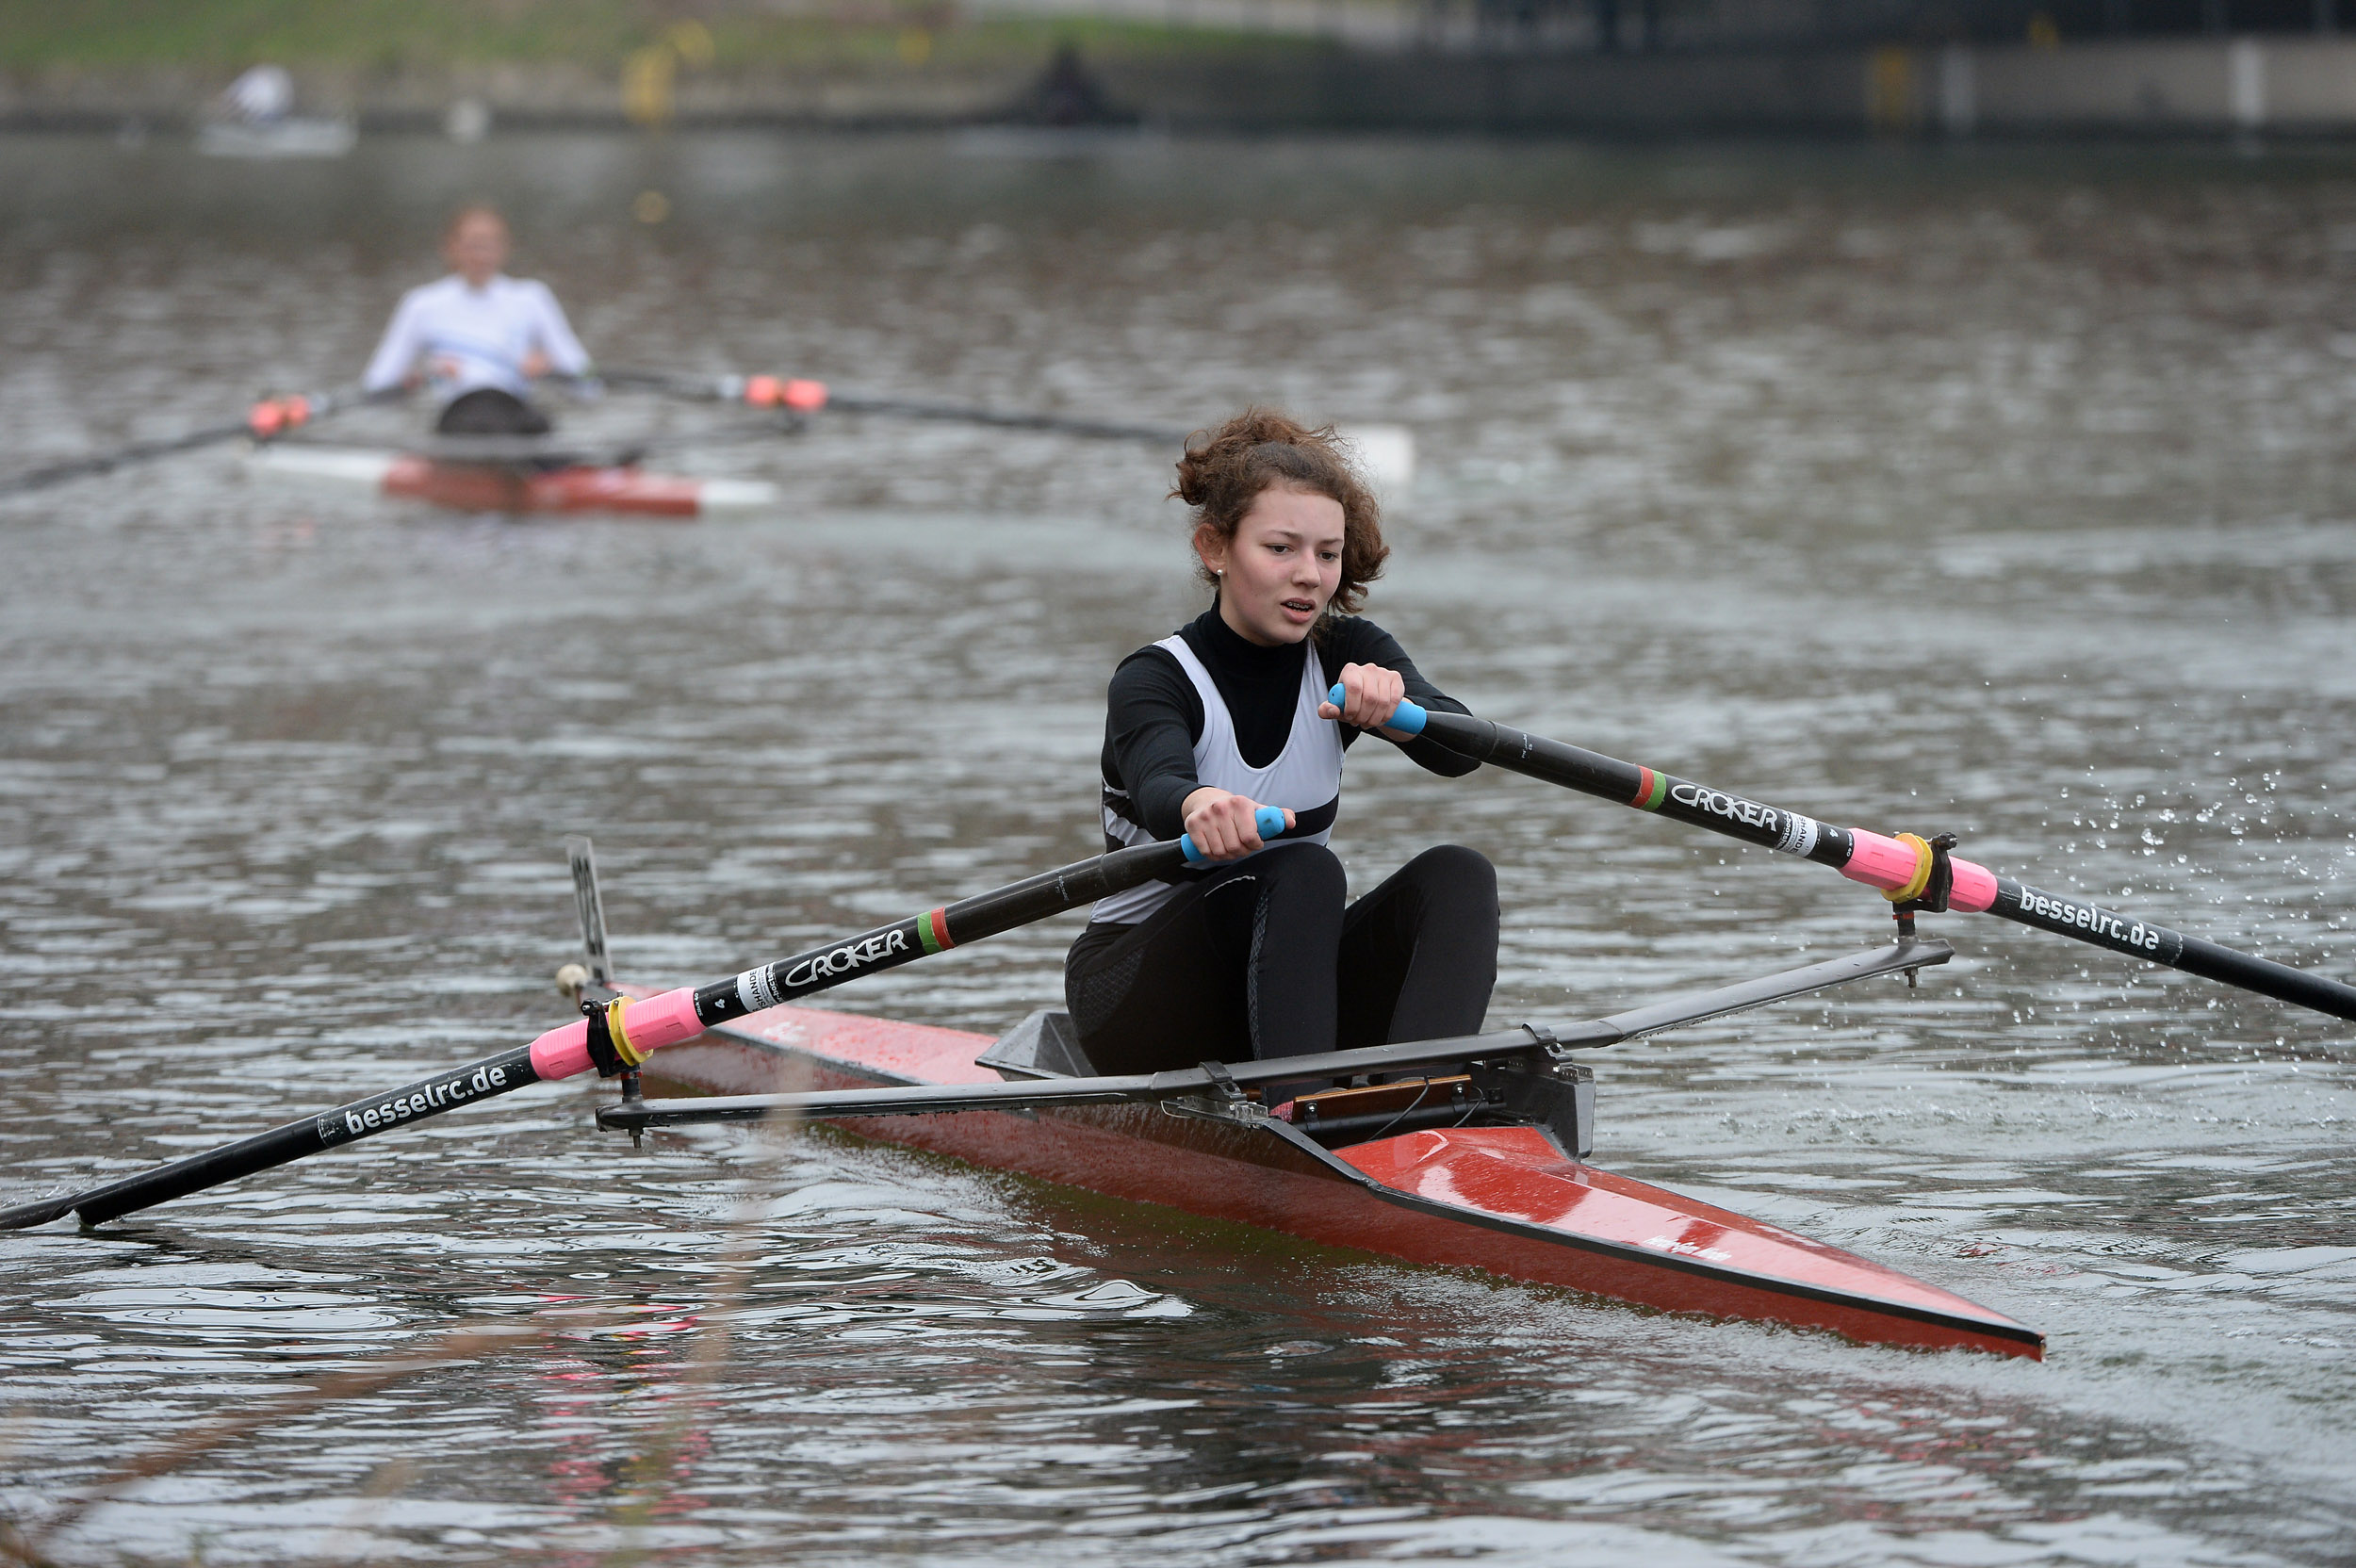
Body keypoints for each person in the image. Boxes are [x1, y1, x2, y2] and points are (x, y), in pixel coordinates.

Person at [1065, 409, 1499, 1075]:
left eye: (1327, 554)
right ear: (1215, 550)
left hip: (1277, 992)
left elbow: (1460, 749)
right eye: (1281, 549)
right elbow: (1158, 785)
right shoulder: (1155, 678)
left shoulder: (1346, 652)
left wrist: (1403, 709)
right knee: (1303, 869)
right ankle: (1303, 1107)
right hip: (1136, 1002)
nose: (1310, 576)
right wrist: (1198, 804)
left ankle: (1421, 1094)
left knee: (1460, 874)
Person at [363, 205, 591, 436]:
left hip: (515, 412)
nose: (481, 256)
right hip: (461, 414)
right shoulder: (421, 304)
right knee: (483, 423)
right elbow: (376, 386)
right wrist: (424, 373)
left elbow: (588, 384)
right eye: (473, 246)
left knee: (530, 424)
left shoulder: (532, 298)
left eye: (489, 245)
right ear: (450, 248)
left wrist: (549, 366)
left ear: (505, 249)